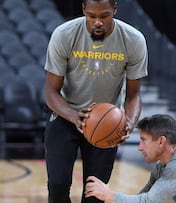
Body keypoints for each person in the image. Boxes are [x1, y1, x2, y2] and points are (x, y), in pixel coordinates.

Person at [43, 0, 148, 202]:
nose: (97, 22)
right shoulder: (64, 34)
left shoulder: (133, 40)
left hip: (106, 121)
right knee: (57, 186)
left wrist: (129, 122)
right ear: (83, 10)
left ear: (115, 10)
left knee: (96, 194)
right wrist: (75, 116)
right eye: (91, 16)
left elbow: (134, 94)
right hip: (66, 115)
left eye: (104, 16)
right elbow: (50, 92)